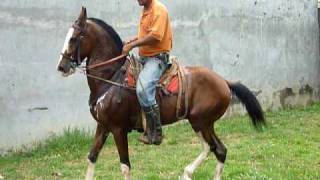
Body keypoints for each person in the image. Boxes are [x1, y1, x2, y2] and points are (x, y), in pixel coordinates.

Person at [122, 0, 173, 145]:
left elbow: (155, 36)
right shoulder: (146, 9)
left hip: (156, 59)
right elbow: (146, 34)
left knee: (142, 89)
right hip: (145, 58)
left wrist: (132, 45)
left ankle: (156, 133)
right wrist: (132, 40)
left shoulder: (158, 9)